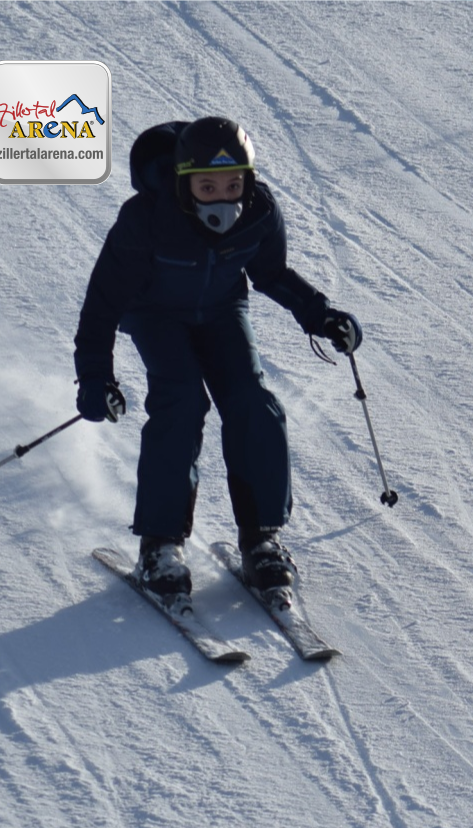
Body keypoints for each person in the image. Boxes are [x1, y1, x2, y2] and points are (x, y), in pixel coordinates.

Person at [71, 117, 361, 597]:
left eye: (233, 185)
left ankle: (261, 538)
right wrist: (95, 377)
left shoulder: (259, 211)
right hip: (155, 313)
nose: (222, 198)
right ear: (183, 183)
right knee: (182, 400)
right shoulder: (146, 219)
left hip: (223, 309)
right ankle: (160, 545)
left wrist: (322, 316)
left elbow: (271, 273)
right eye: (207, 187)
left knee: (252, 401)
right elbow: (103, 304)